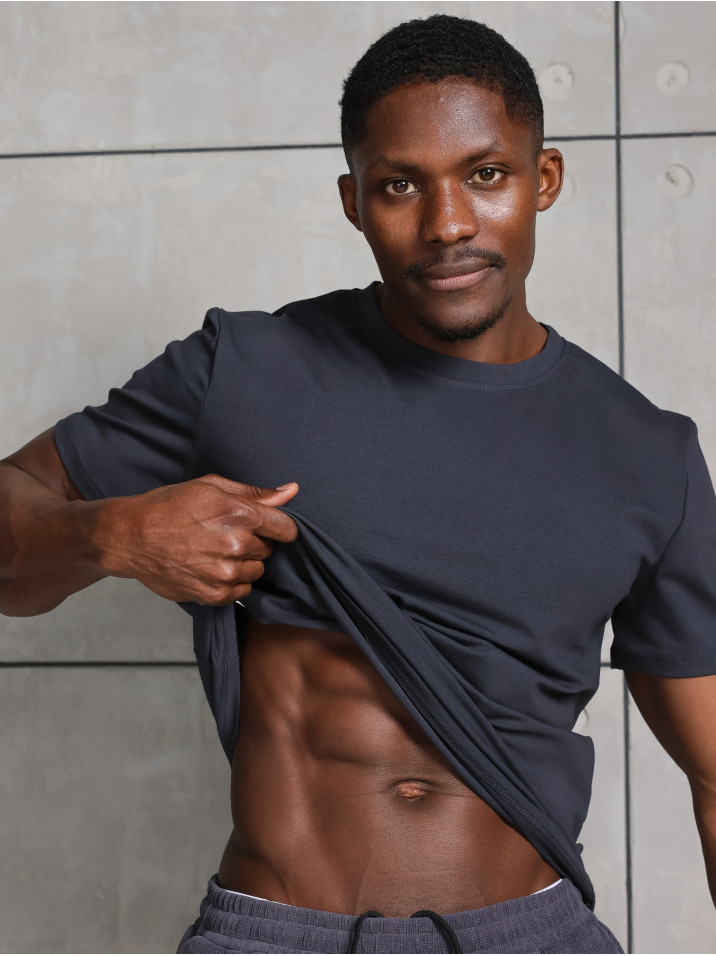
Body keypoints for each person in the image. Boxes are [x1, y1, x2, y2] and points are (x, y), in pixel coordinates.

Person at [1, 13, 715, 955]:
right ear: (353, 201)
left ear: (543, 179)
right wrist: (114, 536)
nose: (447, 223)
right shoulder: (244, 370)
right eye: (399, 185)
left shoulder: (650, 456)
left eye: (485, 175)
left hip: (529, 935)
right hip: (275, 933)